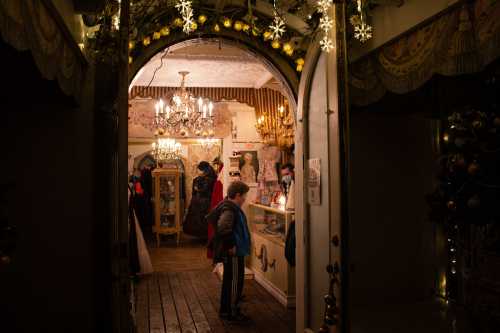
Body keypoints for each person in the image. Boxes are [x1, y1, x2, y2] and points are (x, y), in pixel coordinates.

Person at [207, 181, 251, 322]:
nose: (245, 199)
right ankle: (232, 312)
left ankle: (227, 311)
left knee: (231, 281)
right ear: (237, 195)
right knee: (234, 282)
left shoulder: (229, 206)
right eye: (244, 196)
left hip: (234, 251)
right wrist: (232, 245)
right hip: (233, 252)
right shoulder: (230, 209)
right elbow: (223, 227)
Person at [183, 161, 217, 239]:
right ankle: (200, 236)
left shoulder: (209, 179)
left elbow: (204, 190)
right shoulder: (199, 179)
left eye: (199, 169)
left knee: (203, 218)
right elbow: (194, 192)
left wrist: (197, 189)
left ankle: (204, 236)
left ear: (204, 170)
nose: (198, 171)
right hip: (198, 200)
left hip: (205, 201)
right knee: (197, 218)